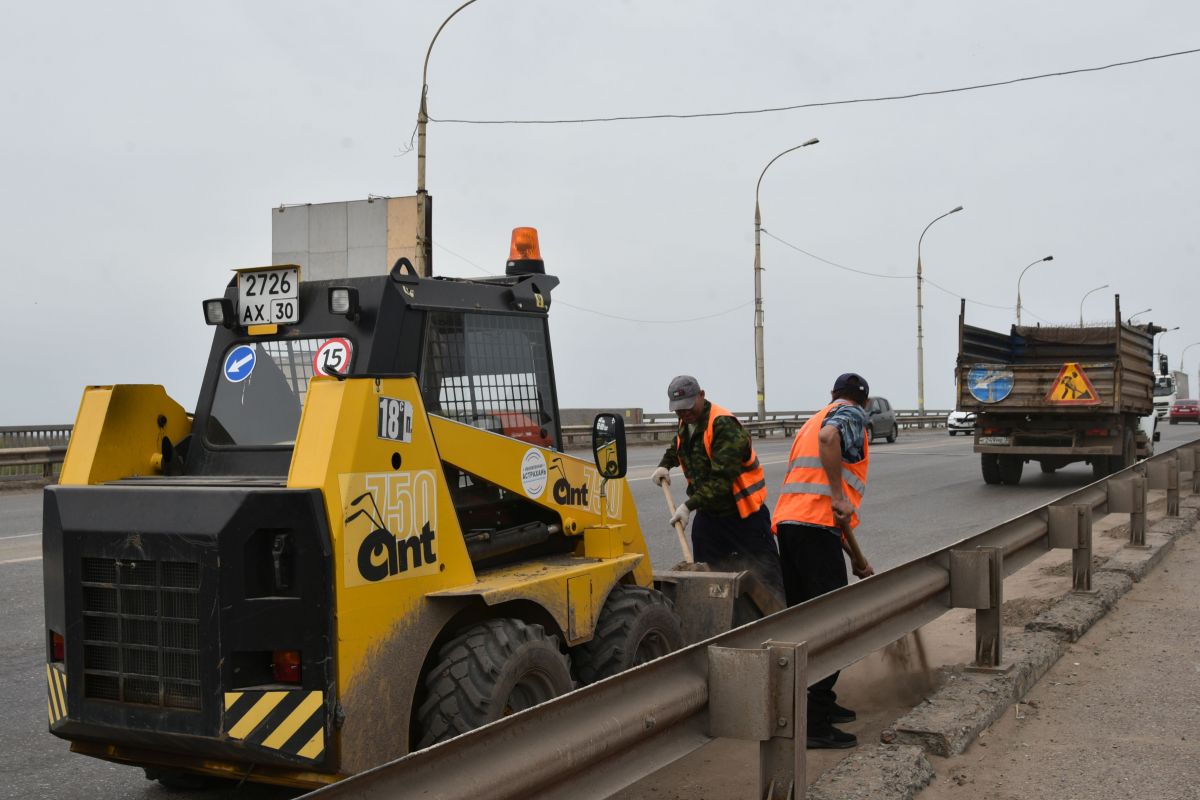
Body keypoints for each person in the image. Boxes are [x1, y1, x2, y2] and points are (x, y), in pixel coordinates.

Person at [772, 372, 874, 750]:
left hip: (792, 526)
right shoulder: (849, 415)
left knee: (806, 619)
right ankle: (813, 723)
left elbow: (827, 513)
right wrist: (837, 494)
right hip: (814, 529)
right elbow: (831, 442)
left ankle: (821, 705)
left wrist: (855, 560)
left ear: (832, 394)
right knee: (830, 624)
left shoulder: (813, 419)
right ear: (863, 401)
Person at [651, 375, 784, 605]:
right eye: (679, 410)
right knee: (709, 576)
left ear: (702, 395)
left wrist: (687, 506)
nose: (684, 414)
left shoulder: (723, 425)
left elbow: (722, 482)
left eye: (688, 407)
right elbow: (678, 446)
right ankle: (721, 619)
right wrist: (665, 464)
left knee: (765, 575)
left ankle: (781, 619)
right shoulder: (687, 422)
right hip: (711, 516)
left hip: (743, 516)